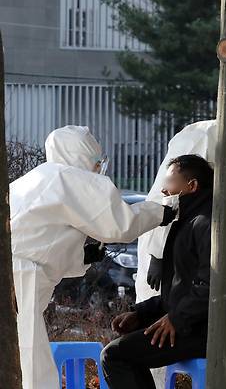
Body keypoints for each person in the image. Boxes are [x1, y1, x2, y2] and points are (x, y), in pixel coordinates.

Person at [10, 125, 175, 389]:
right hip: (19, 278)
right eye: (97, 161)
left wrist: (81, 256)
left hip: (17, 271)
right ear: (85, 156)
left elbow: (42, 238)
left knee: (17, 355)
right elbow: (119, 225)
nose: (99, 167)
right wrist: (161, 212)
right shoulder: (71, 178)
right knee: (29, 361)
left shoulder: (39, 177)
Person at [136, 86, 226, 302]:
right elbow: (167, 196)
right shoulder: (200, 138)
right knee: (159, 310)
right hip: (177, 245)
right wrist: (157, 252)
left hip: (223, 257)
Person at [101, 155, 214, 389]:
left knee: (115, 355)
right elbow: (179, 289)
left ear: (191, 186)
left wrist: (176, 318)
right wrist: (141, 313)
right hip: (189, 321)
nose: (163, 190)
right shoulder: (187, 220)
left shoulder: (205, 223)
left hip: (203, 329)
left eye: (170, 183)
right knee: (123, 351)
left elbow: (211, 285)